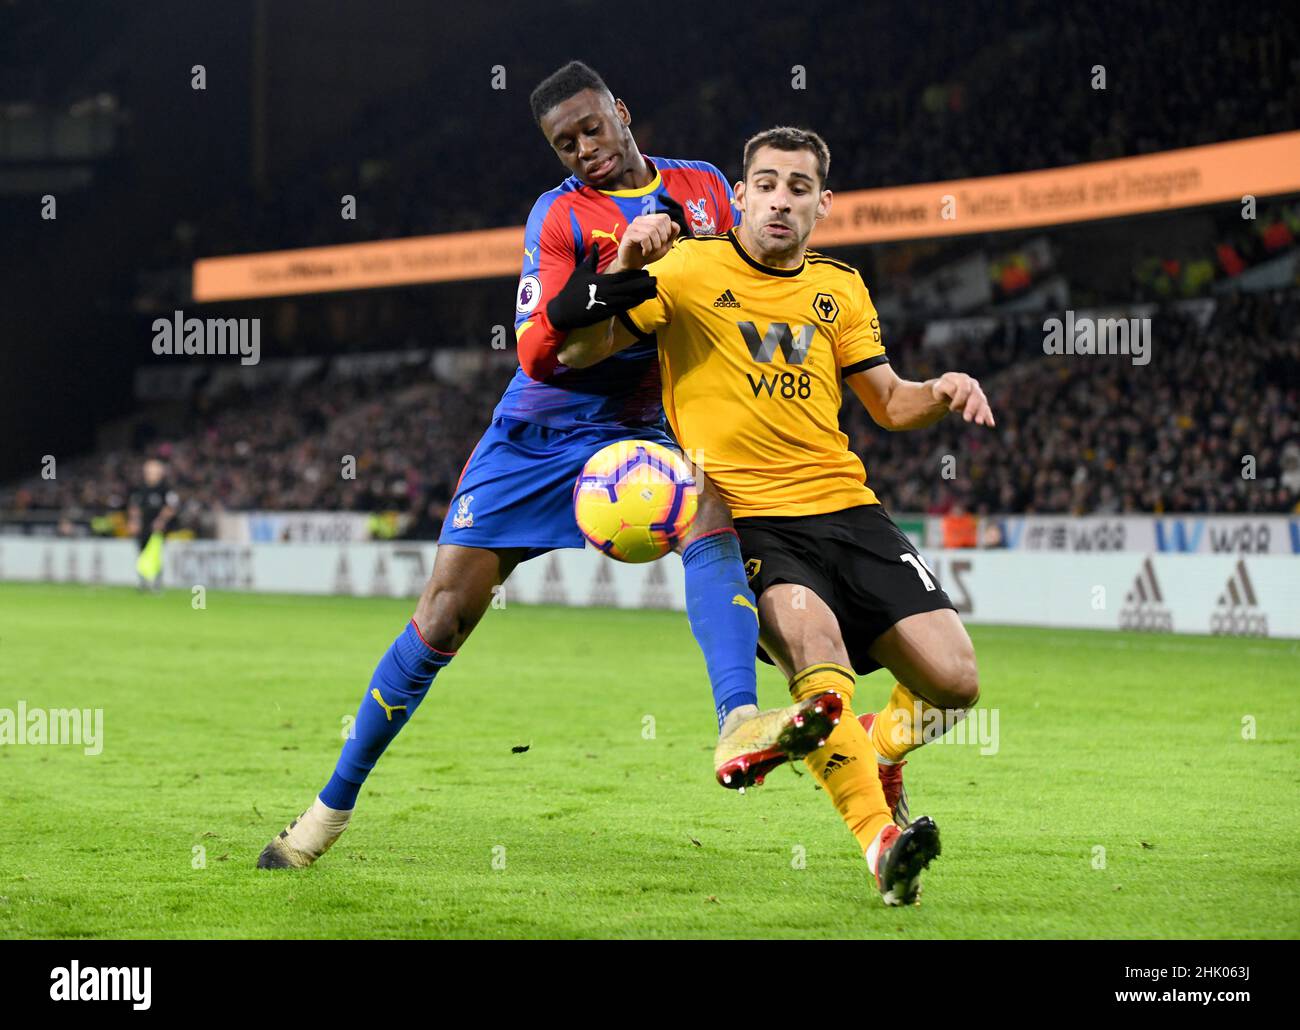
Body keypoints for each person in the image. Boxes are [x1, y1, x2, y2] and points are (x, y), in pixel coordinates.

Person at [257, 67, 834, 871]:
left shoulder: (705, 188)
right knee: (443, 617)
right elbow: (539, 350)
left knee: (711, 512)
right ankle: (328, 811)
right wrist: (624, 272)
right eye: (566, 143)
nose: (585, 151)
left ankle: (740, 718)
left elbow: (750, 279)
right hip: (535, 434)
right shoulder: (559, 215)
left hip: (637, 430)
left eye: (593, 129)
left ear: (623, 113)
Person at [558, 126, 994, 905]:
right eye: (766, 184)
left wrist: (943, 389)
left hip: (850, 511)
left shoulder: (840, 288)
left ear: (824, 204)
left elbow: (890, 403)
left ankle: (882, 745)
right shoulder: (686, 268)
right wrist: (624, 264)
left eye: (799, 188)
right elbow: (581, 351)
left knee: (955, 683)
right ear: (740, 194)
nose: (780, 201)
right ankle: (879, 844)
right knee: (818, 672)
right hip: (752, 522)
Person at [127, 458, 178, 591]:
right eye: (149, 471)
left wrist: (161, 520)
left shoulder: (165, 489)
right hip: (143, 527)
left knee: (155, 554)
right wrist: (134, 521)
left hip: (158, 529)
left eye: (154, 471)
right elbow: (134, 506)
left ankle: (156, 582)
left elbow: (171, 507)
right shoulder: (140, 488)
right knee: (142, 554)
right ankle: (143, 582)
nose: (151, 473)